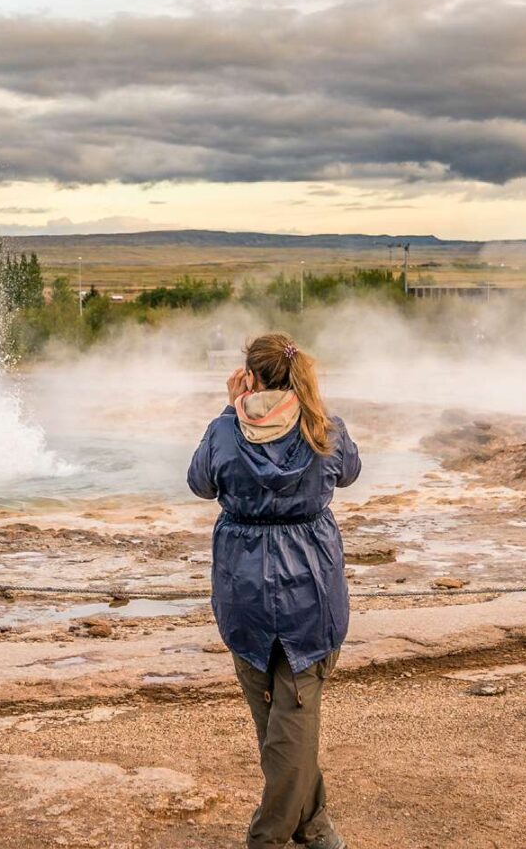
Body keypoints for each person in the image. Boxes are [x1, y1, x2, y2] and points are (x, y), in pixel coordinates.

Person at [188, 333, 361, 849]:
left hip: (244, 588)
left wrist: (226, 408)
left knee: (278, 724)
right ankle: (315, 827)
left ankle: (269, 837)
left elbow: (200, 482)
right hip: (312, 585)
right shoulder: (324, 427)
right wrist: (313, 404)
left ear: (250, 377)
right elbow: (348, 471)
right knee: (294, 723)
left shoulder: (226, 430)